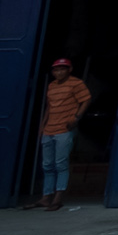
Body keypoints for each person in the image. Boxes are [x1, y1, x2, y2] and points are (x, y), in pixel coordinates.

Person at [36, 57, 92, 211]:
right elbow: (49, 107)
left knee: (61, 164)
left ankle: (58, 198)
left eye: (62, 69)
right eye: (56, 70)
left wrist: (76, 117)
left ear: (69, 70)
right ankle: (46, 197)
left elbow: (86, 100)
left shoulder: (76, 84)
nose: (59, 72)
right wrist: (42, 126)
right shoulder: (52, 86)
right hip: (49, 130)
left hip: (64, 130)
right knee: (47, 165)